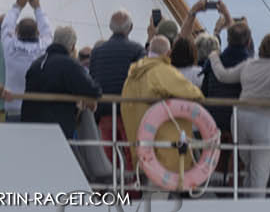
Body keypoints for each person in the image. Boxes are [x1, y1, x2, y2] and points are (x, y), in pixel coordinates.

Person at [210, 32, 270, 197]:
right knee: (259, 174)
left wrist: (213, 57)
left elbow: (223, 76)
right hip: (264, 121)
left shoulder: (249, 64)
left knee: (250, 167)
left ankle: (245, 203)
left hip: (239, 119)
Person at [121, 36, 205, 182]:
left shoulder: (132, 75)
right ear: (168, 53)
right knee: (160, 191)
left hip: (140, 144)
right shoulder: (163, 71)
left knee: (150, 189)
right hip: (164, 148)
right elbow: (195, 94)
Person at [23, 25, 102, 139]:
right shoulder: (69, 65)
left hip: (31, 125)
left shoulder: (36, 64)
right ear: (72, 46)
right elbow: (93, 90)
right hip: (58, 127)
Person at [89, 11, 145, 160]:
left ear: (110, 27)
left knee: (107, 154)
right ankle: (131, 182)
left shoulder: (96, 51)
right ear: (130, 27)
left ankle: (109, 180)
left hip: (104, 109)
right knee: (130, 155)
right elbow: (142, 79)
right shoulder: (137, 50)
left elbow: (92, 78)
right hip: (128, 109)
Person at [2, 0, 52, 120]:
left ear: (17, 31)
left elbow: (6, 25)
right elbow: (47, 29)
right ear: (37, 32)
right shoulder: (45, 48)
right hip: (39, 110)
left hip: (14, 110)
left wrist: (17, 6)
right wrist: (37, 7)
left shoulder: (10, 47)